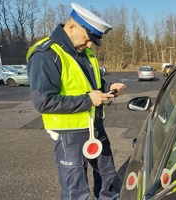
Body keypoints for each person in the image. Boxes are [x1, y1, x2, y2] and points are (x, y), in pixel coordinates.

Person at [26, 3, 125, 200]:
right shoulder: (46, 54)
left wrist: (108, 88)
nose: (90, 45)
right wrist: (88, 100)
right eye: (88, 39)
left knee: (108, 180)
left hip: (95, 127)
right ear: (72, 28)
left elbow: (91, 82)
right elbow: (43, 102)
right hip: (69, 135)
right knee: (76, 191)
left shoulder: (83, 52)